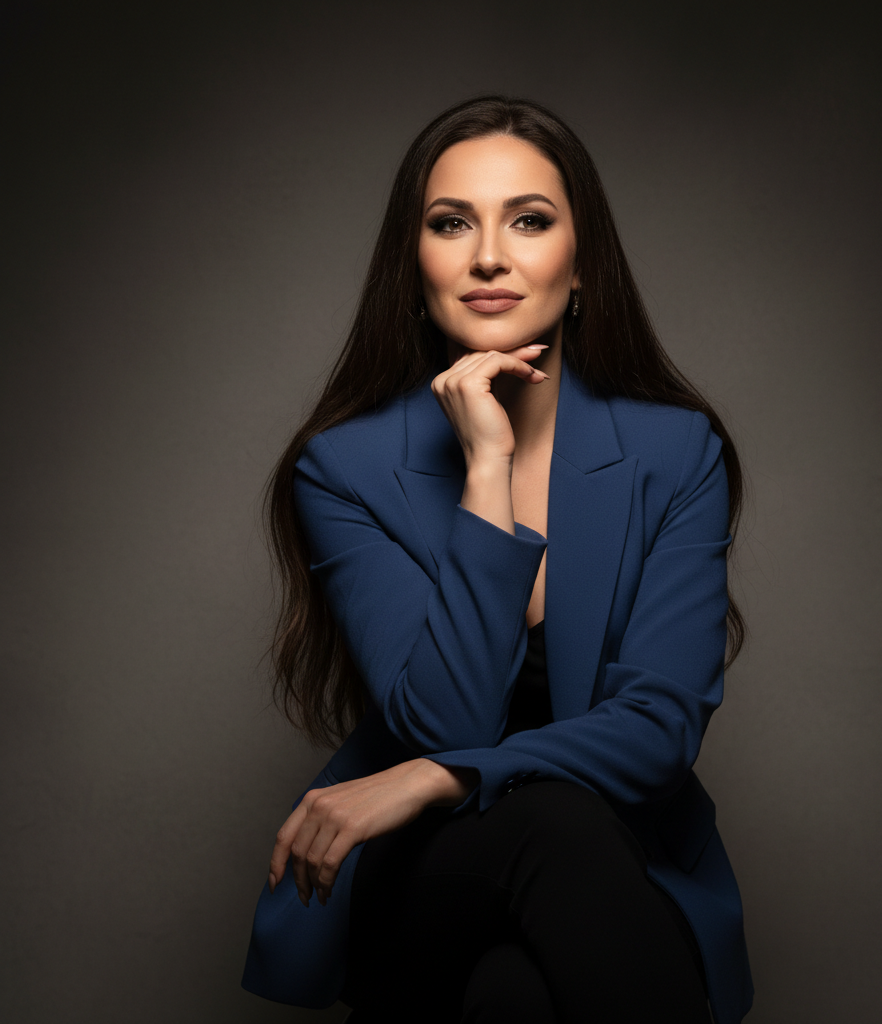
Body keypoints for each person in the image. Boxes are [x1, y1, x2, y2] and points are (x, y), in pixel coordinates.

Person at [241, 95, 754, 1024]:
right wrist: (486, 467)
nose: (488, 255)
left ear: (582, 261)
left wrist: (440, 775)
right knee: (546, 824)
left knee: (515, 992)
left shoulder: (676, 454)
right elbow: (444, 717)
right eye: (450, 224)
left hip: (617, 864)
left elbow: (658, 729)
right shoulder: (344, 468)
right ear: (416, 268)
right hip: (422, 875)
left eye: (529, 220)